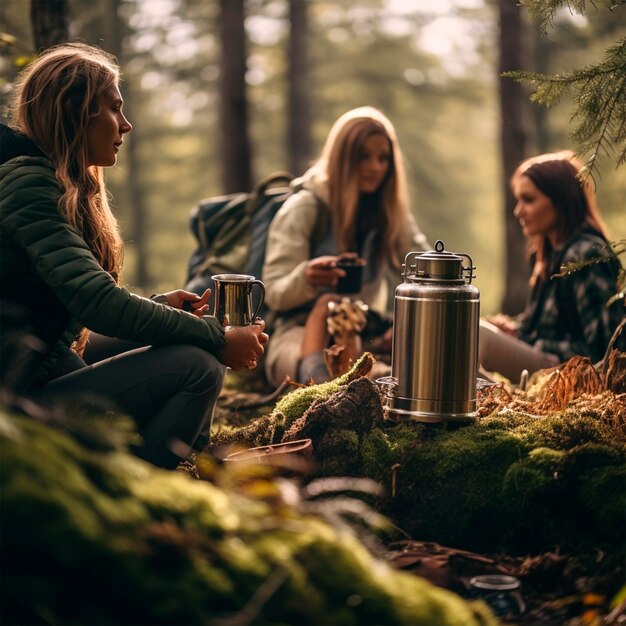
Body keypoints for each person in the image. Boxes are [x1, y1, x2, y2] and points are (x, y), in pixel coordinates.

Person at [0, 43, 268, 469]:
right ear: (76, 112)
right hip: (14, 406)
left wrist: (165, 311)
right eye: (114, 109)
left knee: (189, 342)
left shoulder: (51, 181)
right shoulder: (28, 185)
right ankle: (140, 499)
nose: (126, 125)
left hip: (37, 371)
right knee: (199, 365)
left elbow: (78, 315)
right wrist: (217, 338)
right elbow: (99, 303)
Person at [262, 106, 429, 387]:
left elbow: (424, 268)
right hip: (297, 332)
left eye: (383, 158)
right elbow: (273, 292)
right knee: (312, 378)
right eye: (363, 157)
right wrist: (306, 278)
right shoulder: (305, 208)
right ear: (343, 158)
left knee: (403, 377)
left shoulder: (390, 213)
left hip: (364, 333)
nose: (375, 167)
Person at [478, 150, 623, 383]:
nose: (518, 211)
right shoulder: (546, 254)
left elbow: (606, 348)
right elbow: (554, 325)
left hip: (567, 375)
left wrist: (537, 344)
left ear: (560, 200)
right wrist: (516, 330)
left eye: (529, 200)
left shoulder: (586, 254)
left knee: (475, 335)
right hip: (546, 366)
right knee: (472, 329)